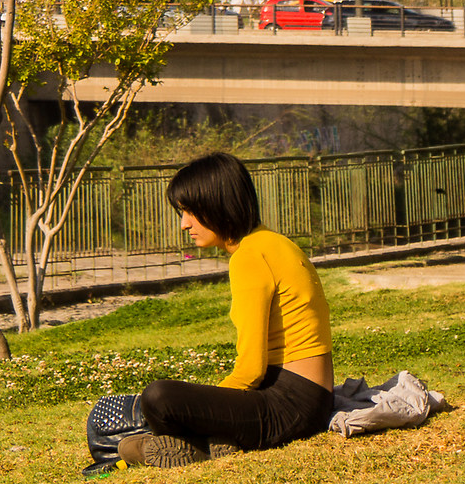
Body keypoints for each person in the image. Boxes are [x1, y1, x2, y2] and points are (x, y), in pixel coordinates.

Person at [84, 152, 334, 472]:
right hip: (313, 401)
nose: (184, 223)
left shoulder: (249, 256)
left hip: (288, 406)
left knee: (159, 397)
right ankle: (210, 442)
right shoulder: (273, 242)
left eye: (190, 211)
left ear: (217, 204)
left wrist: (211, 409)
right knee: (183, 400)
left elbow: (250, 370)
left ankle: (180, 444)